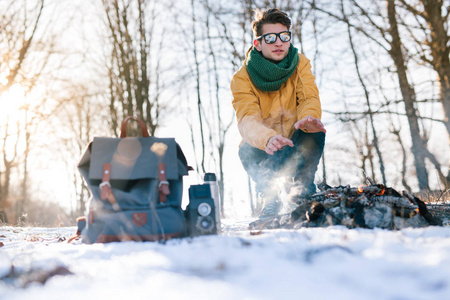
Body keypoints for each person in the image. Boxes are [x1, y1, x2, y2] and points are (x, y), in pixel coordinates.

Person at [230, 8, 326, 221]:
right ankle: (270, 198)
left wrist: (308, 117)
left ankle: (304, 192)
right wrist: (268, 138)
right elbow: (247, 118)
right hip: (268, 149)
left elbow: (308, 96)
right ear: (258, 43)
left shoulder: (300, 63)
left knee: (314, 130)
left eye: (284, 37)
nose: (278, 43)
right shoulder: (242, 78)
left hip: (296, 142)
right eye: (270, 38)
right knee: (246, 149)